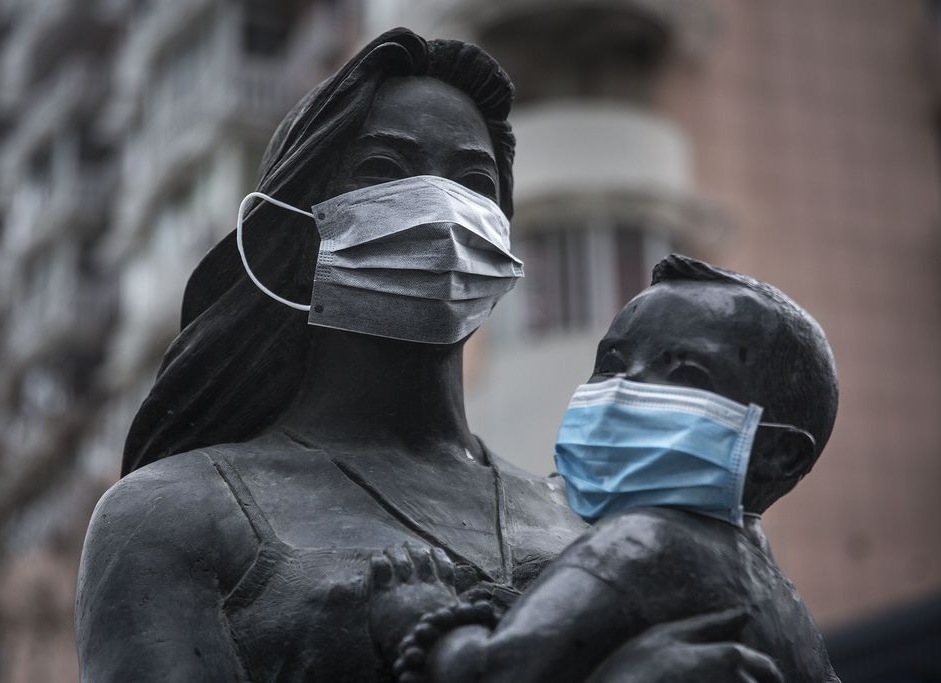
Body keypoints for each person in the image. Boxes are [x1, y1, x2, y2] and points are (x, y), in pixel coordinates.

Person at [75, 29, 783, 682]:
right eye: (385, 167)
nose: (441, 207)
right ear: (294, 225)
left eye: (475, 183)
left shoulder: (598, 525)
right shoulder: (171, 514)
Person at [396, 255, 839, 682]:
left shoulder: (645, 541)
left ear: (781, 454)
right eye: (611, 365)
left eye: (687, 375)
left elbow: (485, 672)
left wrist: (422, 608)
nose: (620, 390)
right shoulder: (786, 603)